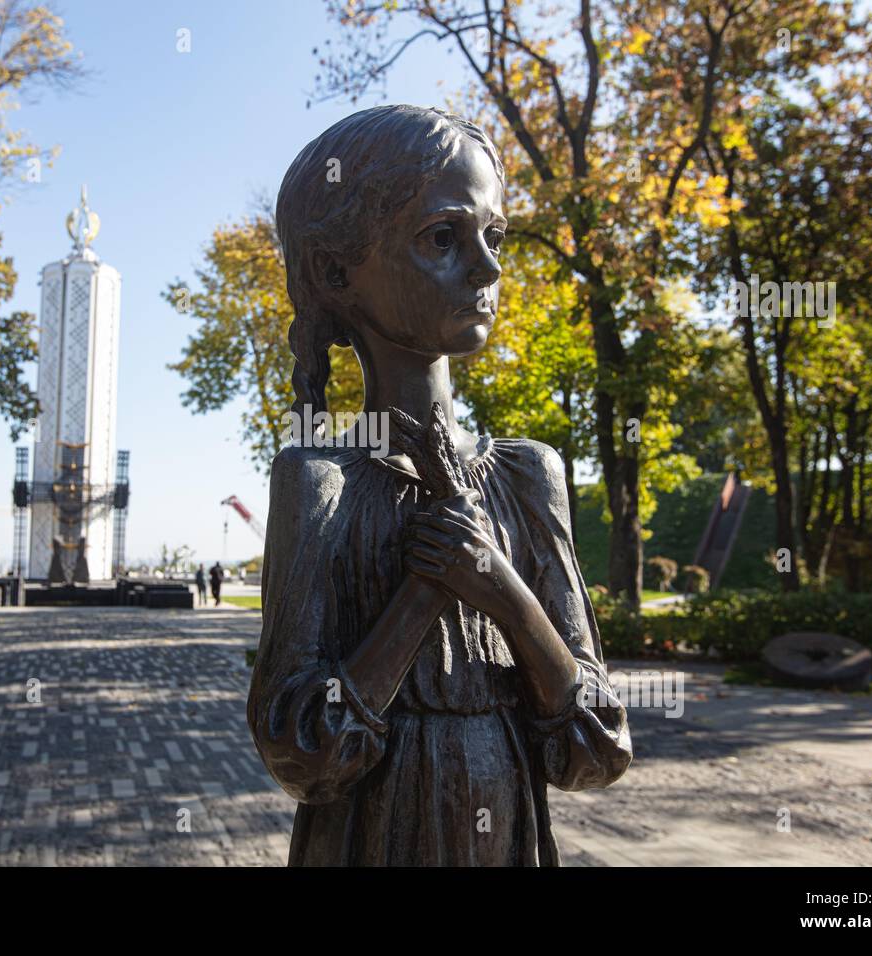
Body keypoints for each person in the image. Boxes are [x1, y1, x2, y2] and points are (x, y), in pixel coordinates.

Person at [247, 106, 631, 867]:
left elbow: (596, 747)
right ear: (335, 271)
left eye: (496, 237)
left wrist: (501, 589)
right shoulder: (319, 483)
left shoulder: (528, 475)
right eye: (444, 238)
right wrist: (426, 592)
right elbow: (303, 756)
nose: (487, 268)